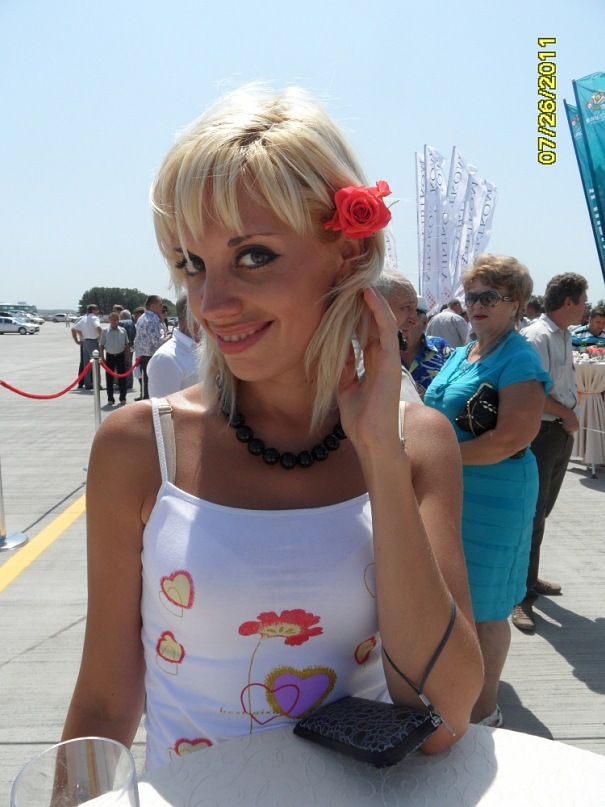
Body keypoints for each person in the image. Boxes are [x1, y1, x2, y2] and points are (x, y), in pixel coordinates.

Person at [61, 85, 483, 770]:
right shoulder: (141, 446)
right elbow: (105, 706)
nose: (211, 303)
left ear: (348, 255)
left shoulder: (417, 442)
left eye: (253, 255)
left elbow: (443, 715)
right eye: (192, 264)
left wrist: (379, 452)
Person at [424, 254, 551, 727]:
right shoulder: (463, 353)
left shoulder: (519, 358)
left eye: (489, 296)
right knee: (452, 598)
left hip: (496, 497)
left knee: (487, 607)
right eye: (471, 295)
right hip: (451, 491)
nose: (476, 304)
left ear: (515, 303)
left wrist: (437, 459)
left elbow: (512, 438)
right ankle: (451, 690)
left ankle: (484, 710)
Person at [511, 272, 588, 633]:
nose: (586, 308)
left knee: (541, 513)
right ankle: (519, 596)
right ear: (568, 302)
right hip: (542, 434)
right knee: (530, 516)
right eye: (583, 301)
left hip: (557, 434)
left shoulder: (563, 335)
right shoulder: (538, 336)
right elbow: (532, 392)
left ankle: (529, 577)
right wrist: (568, 414)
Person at [375, 271, 423, 403]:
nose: (414, 319)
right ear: (373, 304)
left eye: (415, 309)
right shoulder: (376, 368)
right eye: (406, 307)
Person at [397, 294, 453, 397]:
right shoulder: (379, 352)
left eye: (411, 319)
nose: (402, 321)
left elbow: (457, 388)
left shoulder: (441, 349)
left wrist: (429, 396)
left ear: (424, 323)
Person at [148, 293, 201, 397]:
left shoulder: (206, 348)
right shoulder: (166, 359)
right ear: (189, 319)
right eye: (205, 317)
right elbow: (162, 406)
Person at [133, 295, 167, 399]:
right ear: (153, 306)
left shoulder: (142, 318)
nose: (162, 307)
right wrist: (169, 337)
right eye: (160, 305)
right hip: (152, 357)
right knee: (153, 387)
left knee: (147, 385)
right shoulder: (153, 319)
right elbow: (157, 342)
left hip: (143, 356)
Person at [99, 312, 130, 405]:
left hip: (120, 356)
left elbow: (126, 345)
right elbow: (101, 345)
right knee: (109, 379)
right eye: (111, 319)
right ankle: (110, 399)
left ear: (118, 320)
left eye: (115, 319)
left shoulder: (123, 331)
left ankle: (123, 398)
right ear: (109, 320)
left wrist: (127, 357)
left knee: (122, 378)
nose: (113, 321)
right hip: (110, 356)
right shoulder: (105, 331)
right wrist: (102, 358)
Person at [71, 304, 102, 389]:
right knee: (96, 364)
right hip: (93, 341)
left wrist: (80, 336)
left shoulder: (84, 318)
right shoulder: (95, 318)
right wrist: (101, 336)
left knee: (86, 364)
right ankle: (97, 384)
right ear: (93, 310)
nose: (98, 311)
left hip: (85, 342)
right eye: (97, 309)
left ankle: (87, 383)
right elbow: (98, 327)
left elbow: (74, 328)